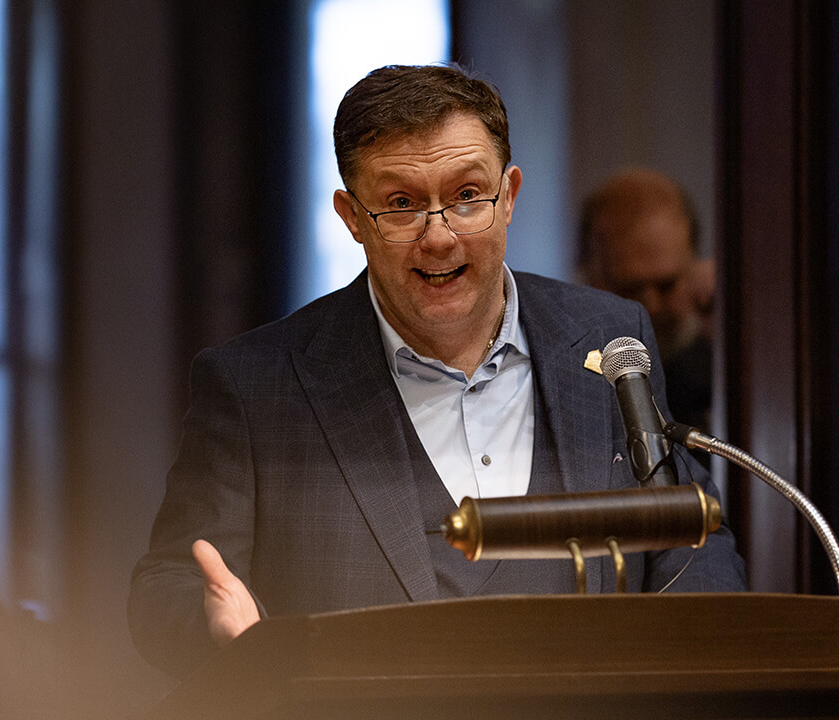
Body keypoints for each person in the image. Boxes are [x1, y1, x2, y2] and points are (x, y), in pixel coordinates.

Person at [128, 64, 746, 678]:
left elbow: (691, 535)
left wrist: (683, 668)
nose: (439, 237)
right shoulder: (256, 385)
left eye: (467, 196)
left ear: (508, 197)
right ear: (351, 216)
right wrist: (229, 637)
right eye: (400, 205)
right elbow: (171, 583)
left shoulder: (609, 337)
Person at [577, 169, 715, 432]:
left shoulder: (722, 365)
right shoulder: (562, 375)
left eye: (667, 286)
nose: (650, 307)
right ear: (588, 276)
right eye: (630, 288)